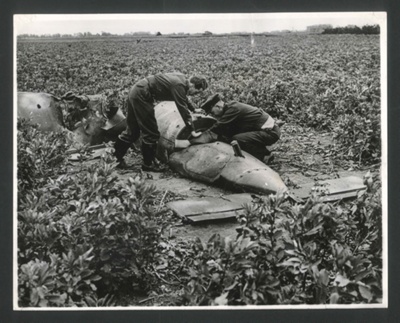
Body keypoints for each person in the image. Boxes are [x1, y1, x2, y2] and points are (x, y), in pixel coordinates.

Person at [114, 72, 208, 171]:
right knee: (151, 133)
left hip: (137, 91)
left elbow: (183, 98)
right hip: (142, 95)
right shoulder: (178, 85)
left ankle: (115, 159)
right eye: (197, 92)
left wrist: (193, 110)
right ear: (192, 85)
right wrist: (192, 130)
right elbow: (182, 108)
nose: (195, 95)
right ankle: (148, 165)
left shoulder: (182, 80)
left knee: (133, 130)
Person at [176, 93, 281, 163]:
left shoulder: (233, 109)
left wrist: (190, 142)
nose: (214, 116)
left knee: (237, 139)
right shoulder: (230, 107)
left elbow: (215, 129)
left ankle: (265, 155)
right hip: (263, 129)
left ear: (218, 106)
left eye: (213, 112)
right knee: (230, 137)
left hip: (270, 133)